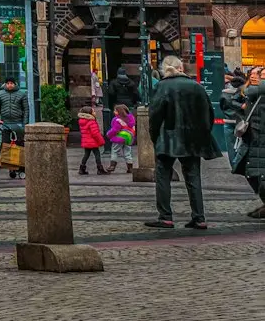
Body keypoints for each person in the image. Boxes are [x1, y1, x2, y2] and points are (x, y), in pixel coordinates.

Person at [145, 55, 218, 230]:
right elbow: (209, 114)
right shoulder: (197, 87)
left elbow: (154, 116)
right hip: (193, 139)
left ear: (164, 69)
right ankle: (199, 217)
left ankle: (165, 216)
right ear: (181, 67)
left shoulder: (161, 86)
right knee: (193, 177)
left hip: (168, 138)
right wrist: (202, 133)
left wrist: (155, 137)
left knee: (163, 176)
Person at [226, 66, 265, 219]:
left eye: (260, 75)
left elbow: (247, 93)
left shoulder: (255, 90)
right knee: (249, 171)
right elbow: (232, 100)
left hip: (259, 137)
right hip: (253, 136)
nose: (257, 77)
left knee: (257, 173)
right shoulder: (251, 91)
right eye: (256, 74)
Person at [0, 78, 30, 180]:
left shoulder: (21, 94)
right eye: (8, 83)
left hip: (18, 123)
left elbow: (26, 109)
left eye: (11, 83)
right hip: (5, 123)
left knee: (20, 146)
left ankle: (22, 168)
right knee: (6, 146)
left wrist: (24, 124)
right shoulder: (0, 94)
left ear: (15, 84)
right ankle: (11, 168)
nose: (9, 85)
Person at [77, 106, 108, 175]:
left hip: (86, 141)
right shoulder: (91, 121)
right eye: (93, 111)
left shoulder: (82, 121)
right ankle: (100, 169)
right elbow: (95, 133)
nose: (95, 112)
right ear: (89, 113)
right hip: (93, 141)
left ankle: (82, 168)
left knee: (86, 155)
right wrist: (101, 141)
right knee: (97, 154)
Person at [107, 104, 137, 174]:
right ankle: (130, 168)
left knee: (115, 151)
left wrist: (109, 134)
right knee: (127, 153)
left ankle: (112, 166)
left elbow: (115, 130)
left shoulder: (117, 119)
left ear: (119, 111)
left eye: (115, 110)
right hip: (128, 138)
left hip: (119, 138)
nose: (114, 112)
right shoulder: (131, 118)